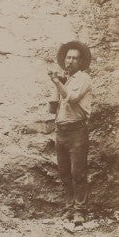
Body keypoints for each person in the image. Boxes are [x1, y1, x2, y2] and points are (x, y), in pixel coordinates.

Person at [48, 40, 93, 224]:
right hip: (61, 131)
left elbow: (73, 99)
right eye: (68, 58)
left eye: (75, 58)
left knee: (78, 173)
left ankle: (79, 211)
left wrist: (57, 82)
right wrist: (56, 86)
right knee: (65, 172)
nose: (70, 61)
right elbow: (53, 110)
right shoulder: (64, 81)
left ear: (81, 62)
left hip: (77, 131)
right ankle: (69, 208)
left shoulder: (84, 78)